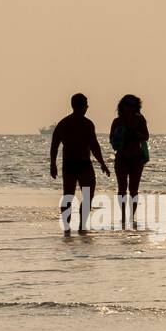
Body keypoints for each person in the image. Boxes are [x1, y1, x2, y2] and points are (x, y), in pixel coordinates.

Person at [50, 93, 110, 233]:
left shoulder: (63, 123)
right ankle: (81, 226)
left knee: (68, 196)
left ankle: (68, 228)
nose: (87, 107)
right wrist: (102, 163)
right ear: (82, 106)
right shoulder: (86, 124)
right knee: (85, 196)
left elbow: (54, 146)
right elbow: (94, 145)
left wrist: (53, 164)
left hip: (70, 164)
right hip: (82, 164)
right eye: (86, 105)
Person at [109, 94, 150, 228]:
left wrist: (136, 134)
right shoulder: (117, 122)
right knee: (121, 189)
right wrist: (121, 136)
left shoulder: (140, 120)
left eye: (132, 105)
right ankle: (122, 216)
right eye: (127, 105)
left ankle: (131, 216)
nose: (130, 108)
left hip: (137, 157)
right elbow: (111, 140)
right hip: (121, 157)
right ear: (123, 106)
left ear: (136, 107)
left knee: (134, 189)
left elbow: (146, 136)